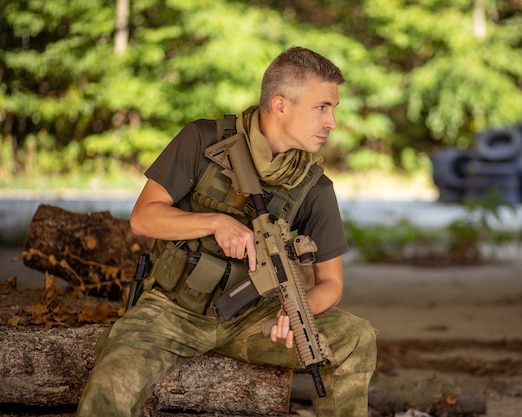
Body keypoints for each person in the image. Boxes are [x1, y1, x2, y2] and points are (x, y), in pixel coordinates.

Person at [75, 46, 377, 417]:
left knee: (356, 336)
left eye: (333, 109)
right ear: (281, 105)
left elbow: (331, 282)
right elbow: (143, 218)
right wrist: (215, 222)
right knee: (110, 386)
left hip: (256, 320)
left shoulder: (314, 186)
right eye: (322, 107)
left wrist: (296, 313)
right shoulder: (203, 140)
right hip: (174, 311)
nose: (332, 122)